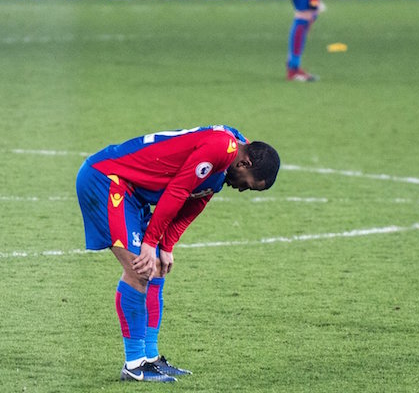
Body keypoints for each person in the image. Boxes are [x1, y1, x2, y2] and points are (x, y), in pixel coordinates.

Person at [76, 125, 280, 381]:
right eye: (247, 185)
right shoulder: (222, 148)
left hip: (133, 192)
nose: (241, 189)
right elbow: (178, 190)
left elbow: (197, 200)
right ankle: (134, 364)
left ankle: (150, 359)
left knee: (157, 268)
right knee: (140, 270)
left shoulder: (232, 155)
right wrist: (151, 241)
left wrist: (166, 245)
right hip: (108, 179)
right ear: (244, 163)